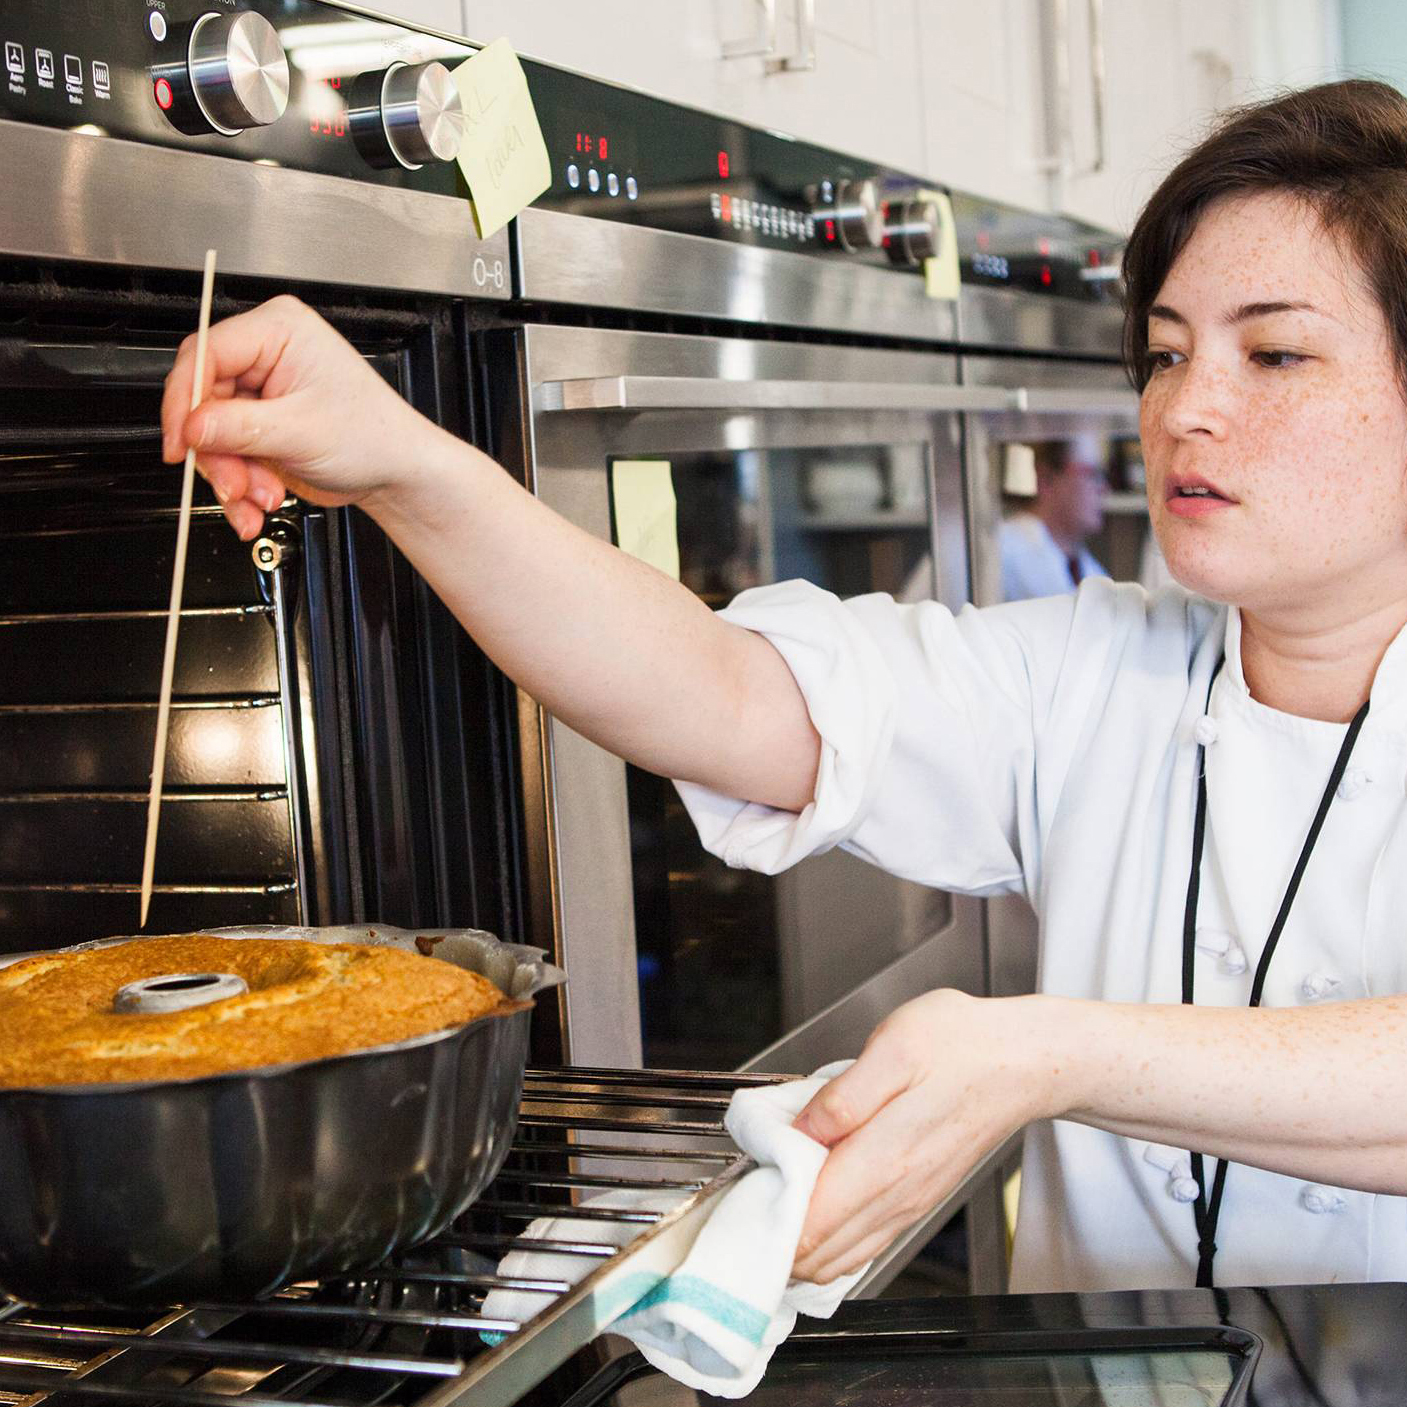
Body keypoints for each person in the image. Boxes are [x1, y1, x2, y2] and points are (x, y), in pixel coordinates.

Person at [162, 78, 1407, 1295]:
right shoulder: (1099, 674)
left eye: (1277, 352)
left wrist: (1053, 1052)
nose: (1187, 408)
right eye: (1165, 353)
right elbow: (718, 693)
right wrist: (399, 461)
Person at [999, 440, 1110, 600]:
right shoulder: (1005, 551)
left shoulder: (1090, 569)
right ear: (1045, 479)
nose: (1104, 488)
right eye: (1093, 474)